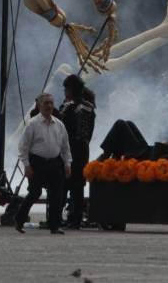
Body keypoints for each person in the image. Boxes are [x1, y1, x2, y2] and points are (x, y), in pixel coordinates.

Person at [15, 93, 71, 235]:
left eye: (51, 103)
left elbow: (65, 147)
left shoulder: (59, 125)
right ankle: (19, 220)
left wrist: (67, 164)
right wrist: (26, 165)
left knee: (57, 195)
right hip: (37, 162)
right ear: (39, 106)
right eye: (46, 103)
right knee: (35, 192)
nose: (49, 106)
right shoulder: (33, 123)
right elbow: (23, 147)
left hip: (55, 163)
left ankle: (54, 226)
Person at [59, 74, 96, 230]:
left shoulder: (69, 106)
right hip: (84, 148)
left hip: (69, 149)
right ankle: (75, 218)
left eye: (66, 89)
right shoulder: (90, 107)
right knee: (78, 185)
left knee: (63, 184)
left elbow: (59, 126)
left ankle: (58, 216)